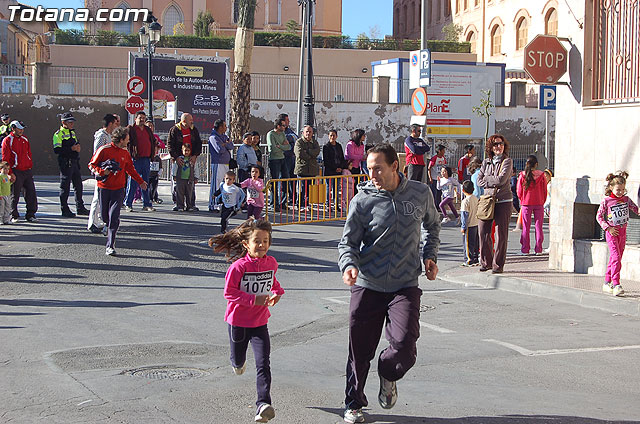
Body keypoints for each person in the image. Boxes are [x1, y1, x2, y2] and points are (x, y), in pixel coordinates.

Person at [338, 143, 440, 424]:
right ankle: (353, 403)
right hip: (368, 284)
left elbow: (433, 224)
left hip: (404, 285)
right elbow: (348, 243)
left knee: (405, 347)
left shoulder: (420, 193)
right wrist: (349, 265)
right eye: (369, 169)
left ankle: (387, 374)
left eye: (378, 169)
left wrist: (430, 255)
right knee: (359, 351)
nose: (372, 175)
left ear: (395, 166)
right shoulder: (362, 200)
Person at [208, 218, 284, 423]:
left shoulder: (271, 263)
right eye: (257, 241)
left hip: (260, 323)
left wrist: (278, 292)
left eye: (265, 241)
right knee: (238, 360)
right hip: (238, 322)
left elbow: (272, 281)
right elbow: (229, 293)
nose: (261, 245)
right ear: (246, 244)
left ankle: (263, 404)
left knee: (263, 364)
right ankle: (237, 362)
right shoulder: (238, 267)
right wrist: (253, 299)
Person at [88, 126, 147, 256]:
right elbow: (91, 164)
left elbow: (131, 170)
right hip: (104, 188)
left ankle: (110, 245)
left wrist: (141, 181)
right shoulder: (104, 150)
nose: (129, 141)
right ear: (121, 140)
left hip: (119, 189)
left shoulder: (125, 153)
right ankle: (108, 226)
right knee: (105, 217)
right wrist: (102, 171)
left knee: (114, 216)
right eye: (127, 139)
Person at [596, 171, 637, 297]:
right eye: (618, 190)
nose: (620, 192)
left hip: (623, 233)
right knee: (616, 257)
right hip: (612, 233)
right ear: (611, 187)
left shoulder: (626, 200)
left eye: (623, 190)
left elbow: (636, 209)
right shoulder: (606, 201)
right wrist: (608, 228)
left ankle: (607, 281)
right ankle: (616, 283)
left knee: (615, 258)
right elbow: (599, 217)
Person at [476, 134, 513, 274]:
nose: (499, 146)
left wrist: (487, 179)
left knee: (500, 234)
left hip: (503, 201)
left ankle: (498, 265)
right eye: (496, 144)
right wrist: (492, 180)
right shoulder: (486, 162)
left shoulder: (507, 161)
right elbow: (479, 180)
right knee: (483, 231)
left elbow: (501, 180)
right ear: (491, 147)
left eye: (501, 143)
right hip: (487, 200)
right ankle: (486, 262)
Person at [53, 112, 89, 218]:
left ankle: (80, 207)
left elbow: (76, 144)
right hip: (65, 163)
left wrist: (77, 148)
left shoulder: (72, 133)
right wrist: (71, 149)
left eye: (73, 122)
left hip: (74, 162)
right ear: (63, 122)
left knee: (78, 185)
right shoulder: (58, 134)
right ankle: (64, 209)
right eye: (70, 122)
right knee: (65, 187)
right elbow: (57, 150)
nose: (72, 124)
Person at [2, 120, 37, 223]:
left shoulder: (25, 139)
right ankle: (14, 215)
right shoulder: (7, 140)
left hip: (27, 170)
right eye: (19, 128)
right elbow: (5, 158)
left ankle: (31, 215)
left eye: (22, 129)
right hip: (16, 170)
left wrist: (29, 165)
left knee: (31, 193)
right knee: (15, 194)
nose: (21, 130)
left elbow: (29, 153)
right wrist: (10, 173)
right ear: (13, 128)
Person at [88, 114, 117, 234]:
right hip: (101, 170)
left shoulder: (109, 136)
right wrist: (101, 169)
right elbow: (97, 153)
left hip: (108, 169)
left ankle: (99, 221)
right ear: (110, 124)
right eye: (115, 123)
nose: (116, 126)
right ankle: (92, 223)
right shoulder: (101, 136)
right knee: (97, 197)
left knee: (103, 199)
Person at [168, 113, 203, 209]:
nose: (192, 121)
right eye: (190, 120)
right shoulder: (175, 130)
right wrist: (176, 157)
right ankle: (178, 203)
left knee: (191, 184)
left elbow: (198, 143)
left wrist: (195, 155)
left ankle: (191, 204)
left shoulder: (193, 130)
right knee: (177, 185)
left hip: (191, 159)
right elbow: (170, 145)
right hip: (178, 159)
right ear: (184, 121)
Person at [124, 111, 157, 212]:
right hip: (135, 159)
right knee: (133, 181)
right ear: (135, 119)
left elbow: (153, 141)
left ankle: (146, 204)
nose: (142, 120)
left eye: (143, 118)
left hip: (146, 159)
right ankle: (128, 203)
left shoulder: (147, 129)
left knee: (145, 182)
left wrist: (153, 151)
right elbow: (126, 142)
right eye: (140, 118)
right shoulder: (131, 129)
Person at [516, 155, 547, 256]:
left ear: (527, 164)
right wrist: (542, 200)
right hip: (539, 202)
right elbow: (544, 190)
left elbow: (519, 191)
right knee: (539, 226)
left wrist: (522, 199)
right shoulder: (541, 175)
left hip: (526, 203)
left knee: (526, 227)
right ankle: (539, 249)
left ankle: (525, 249)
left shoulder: (522, 175)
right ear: (536, 164)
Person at [208, 119, 234, 212]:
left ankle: (221, 203)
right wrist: (225, 144)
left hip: (226, 163)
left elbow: (231, 146)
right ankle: (213, 204)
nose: (226, 128)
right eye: (224, 126)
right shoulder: (213, 137)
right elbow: (219, 149)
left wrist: (224, 144)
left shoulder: (224, 136)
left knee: (224, 184)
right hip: (218, 163)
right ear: (220, 127)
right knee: (217, 183)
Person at [266, 118, 290, 211]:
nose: (285, 127)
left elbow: (288, 147)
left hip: (282, 158)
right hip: (274, 160)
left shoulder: (283, 134)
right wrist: (282, 146)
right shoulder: (271, 134)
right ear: (278, 126)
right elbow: (272, 149)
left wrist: (280, 146)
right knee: (274, 181)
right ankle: (274, 203)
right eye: (283, 125)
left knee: (285, 179)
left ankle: (283, 202)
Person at [294, 125, 320, 207]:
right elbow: (299, 153)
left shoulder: (315, 142)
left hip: (312, 169)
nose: (308, 133)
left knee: (309, 189)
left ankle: (307, 204)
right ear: (303, 133)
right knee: (301, 188)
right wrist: (310, 156)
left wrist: (307, 151)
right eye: (307, 131)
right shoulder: (299, 142)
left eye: (310, 132)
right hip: (302, 169)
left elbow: (317, 151)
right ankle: (300, 204)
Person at [322, 129, 347, 210]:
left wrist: (340, 167)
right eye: (331, 135)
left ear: (336, 136)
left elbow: (342, 158)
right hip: (330, 171)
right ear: (328, 136)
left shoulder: (339, 146)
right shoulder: (326, 147)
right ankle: (328, 204)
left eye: (334, 135)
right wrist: (335, 168)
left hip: (338, 171)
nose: (332, 137)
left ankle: (336, 205)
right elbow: (326, 160)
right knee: (328, 188)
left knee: (336, 188)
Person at [172, 144, 200, 212]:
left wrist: (196, 177)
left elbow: (196, 168)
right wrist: (174, 175)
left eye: (188, 150)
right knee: (180, 193)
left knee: (189, 193)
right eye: (185, 150)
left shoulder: (192, 159)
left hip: (189, 179)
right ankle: (180, 206)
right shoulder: (179, 159)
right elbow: (175, 167)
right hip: (180, 179)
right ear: (182, 150)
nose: (186, 152)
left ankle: (189, 206)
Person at [460, 180, 479, 267]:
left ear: (463, 190)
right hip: (476, 223)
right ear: (473, 189)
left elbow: (464, 215)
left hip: (469, 225)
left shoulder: (465, 201)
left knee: (467, 243)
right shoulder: (476, 199)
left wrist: (463, 226)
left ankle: (468, 260)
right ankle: (475, 258)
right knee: (475, 242)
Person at [279, 113, 297, 204]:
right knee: (283, 180)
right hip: (284, 158)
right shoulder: (279, 132)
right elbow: (283, 141)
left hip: (292, 158)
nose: (288, 122)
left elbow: (296, 139)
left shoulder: (289, 130)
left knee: (293, 179)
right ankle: (282, 200)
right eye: (287, 120)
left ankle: (293, 198)